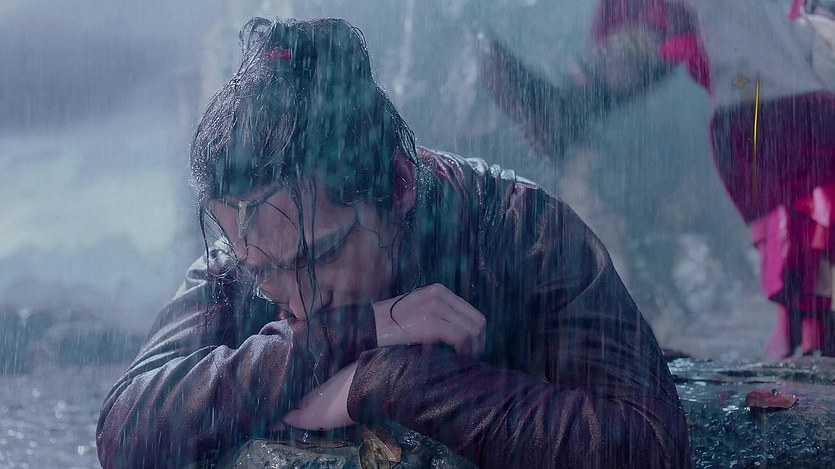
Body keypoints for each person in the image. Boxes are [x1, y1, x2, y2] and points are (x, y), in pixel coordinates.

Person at [96, 17, 690, 468]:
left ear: (399, 186)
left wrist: (396, 381)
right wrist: (353, 331)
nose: (298, 301)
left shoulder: (522, 231)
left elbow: (652, 446)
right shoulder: (253, 248)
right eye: (263, 271)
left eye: (320, 255)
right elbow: (126, 428)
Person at [477, 0, 835, 360]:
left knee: (797, 224)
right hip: (771, 105)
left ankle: (573, 105)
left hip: (776, 109)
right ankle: (574, 103)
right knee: (795, 225)